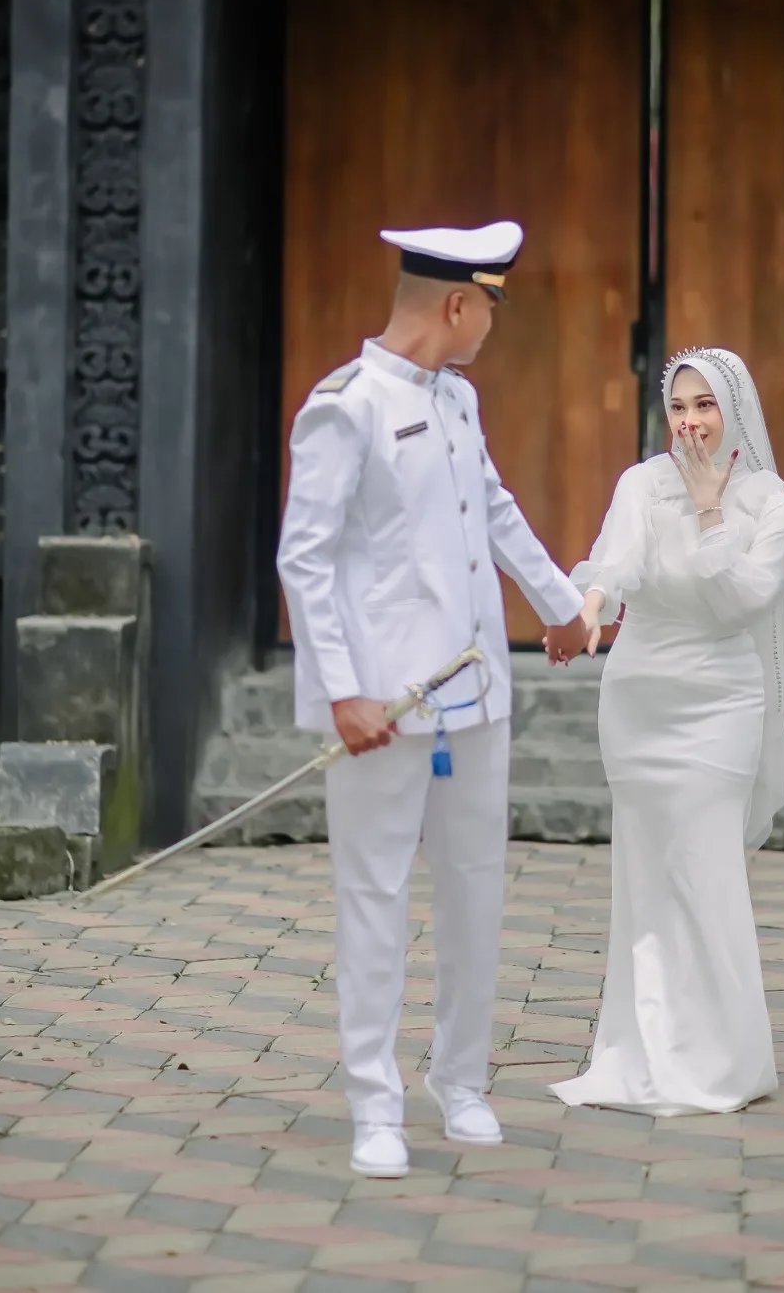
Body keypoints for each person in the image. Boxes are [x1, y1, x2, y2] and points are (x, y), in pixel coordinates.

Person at [278, 221, 588, 1177]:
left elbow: (490, 507)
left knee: (474, 890)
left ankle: (461, 1080)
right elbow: (305, 559)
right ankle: (375, 1104)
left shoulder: (457, 398)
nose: (493, 323)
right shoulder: (346, 407)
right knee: (373, 898)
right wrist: (343, 692)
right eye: (492, 306)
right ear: (457, 305)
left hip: (475, 691)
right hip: (385, 704)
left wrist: (560, 603)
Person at [549, 347, 784, 1116]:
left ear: (734, 410)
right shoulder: (640, 482)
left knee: (703, 871)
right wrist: (588, 607)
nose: (690, 422)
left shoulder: (774, 505)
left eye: (704, 405)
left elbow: (739, 603)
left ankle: (723, 1059)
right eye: (677, 406)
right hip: (637, 696)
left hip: (719, 702)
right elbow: (618, 563)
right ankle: (642, 1048)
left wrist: (706, 509)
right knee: (643, 877)